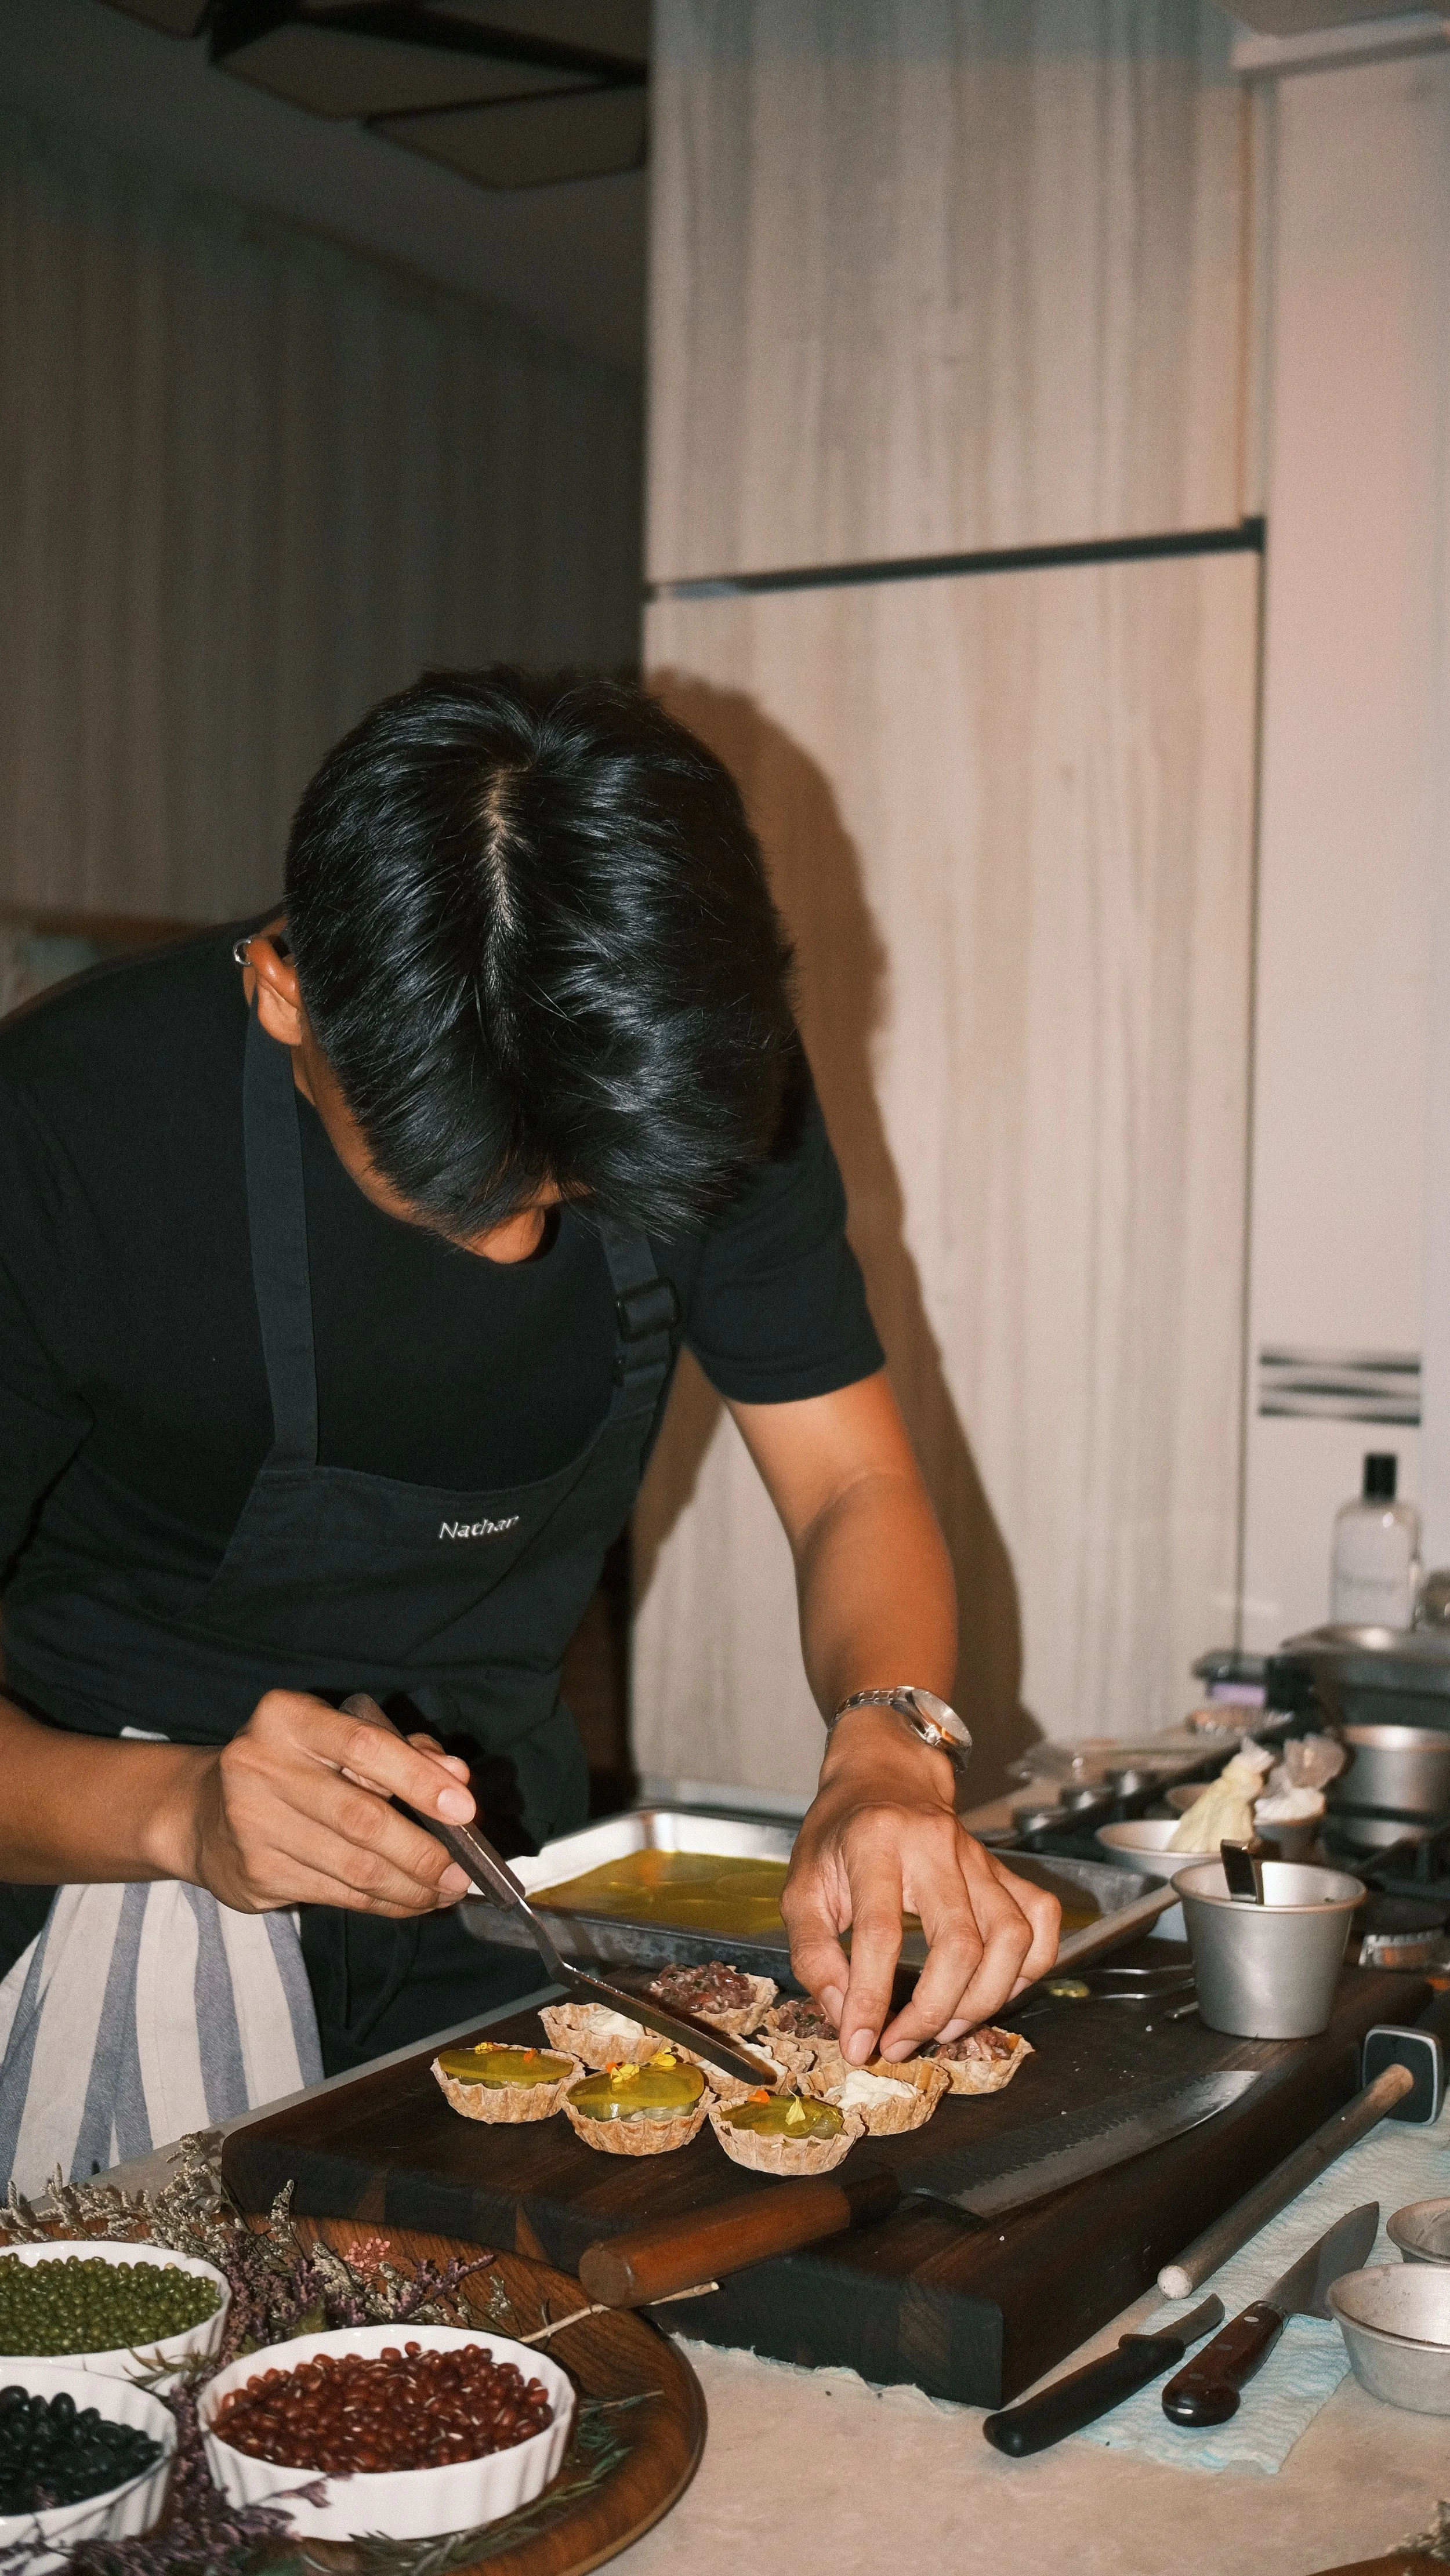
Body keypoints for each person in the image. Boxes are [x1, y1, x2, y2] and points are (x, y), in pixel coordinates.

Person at [0, 669, 1057, 2192]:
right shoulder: (68, 1138)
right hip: (100, 1866)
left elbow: (847, 1482)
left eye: (567, 1197)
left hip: (506, 1883)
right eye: (447, 1185)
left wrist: (886, 1738)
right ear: (285, 987)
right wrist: (177, 1813)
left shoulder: (668, 1063)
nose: (511, 1256)